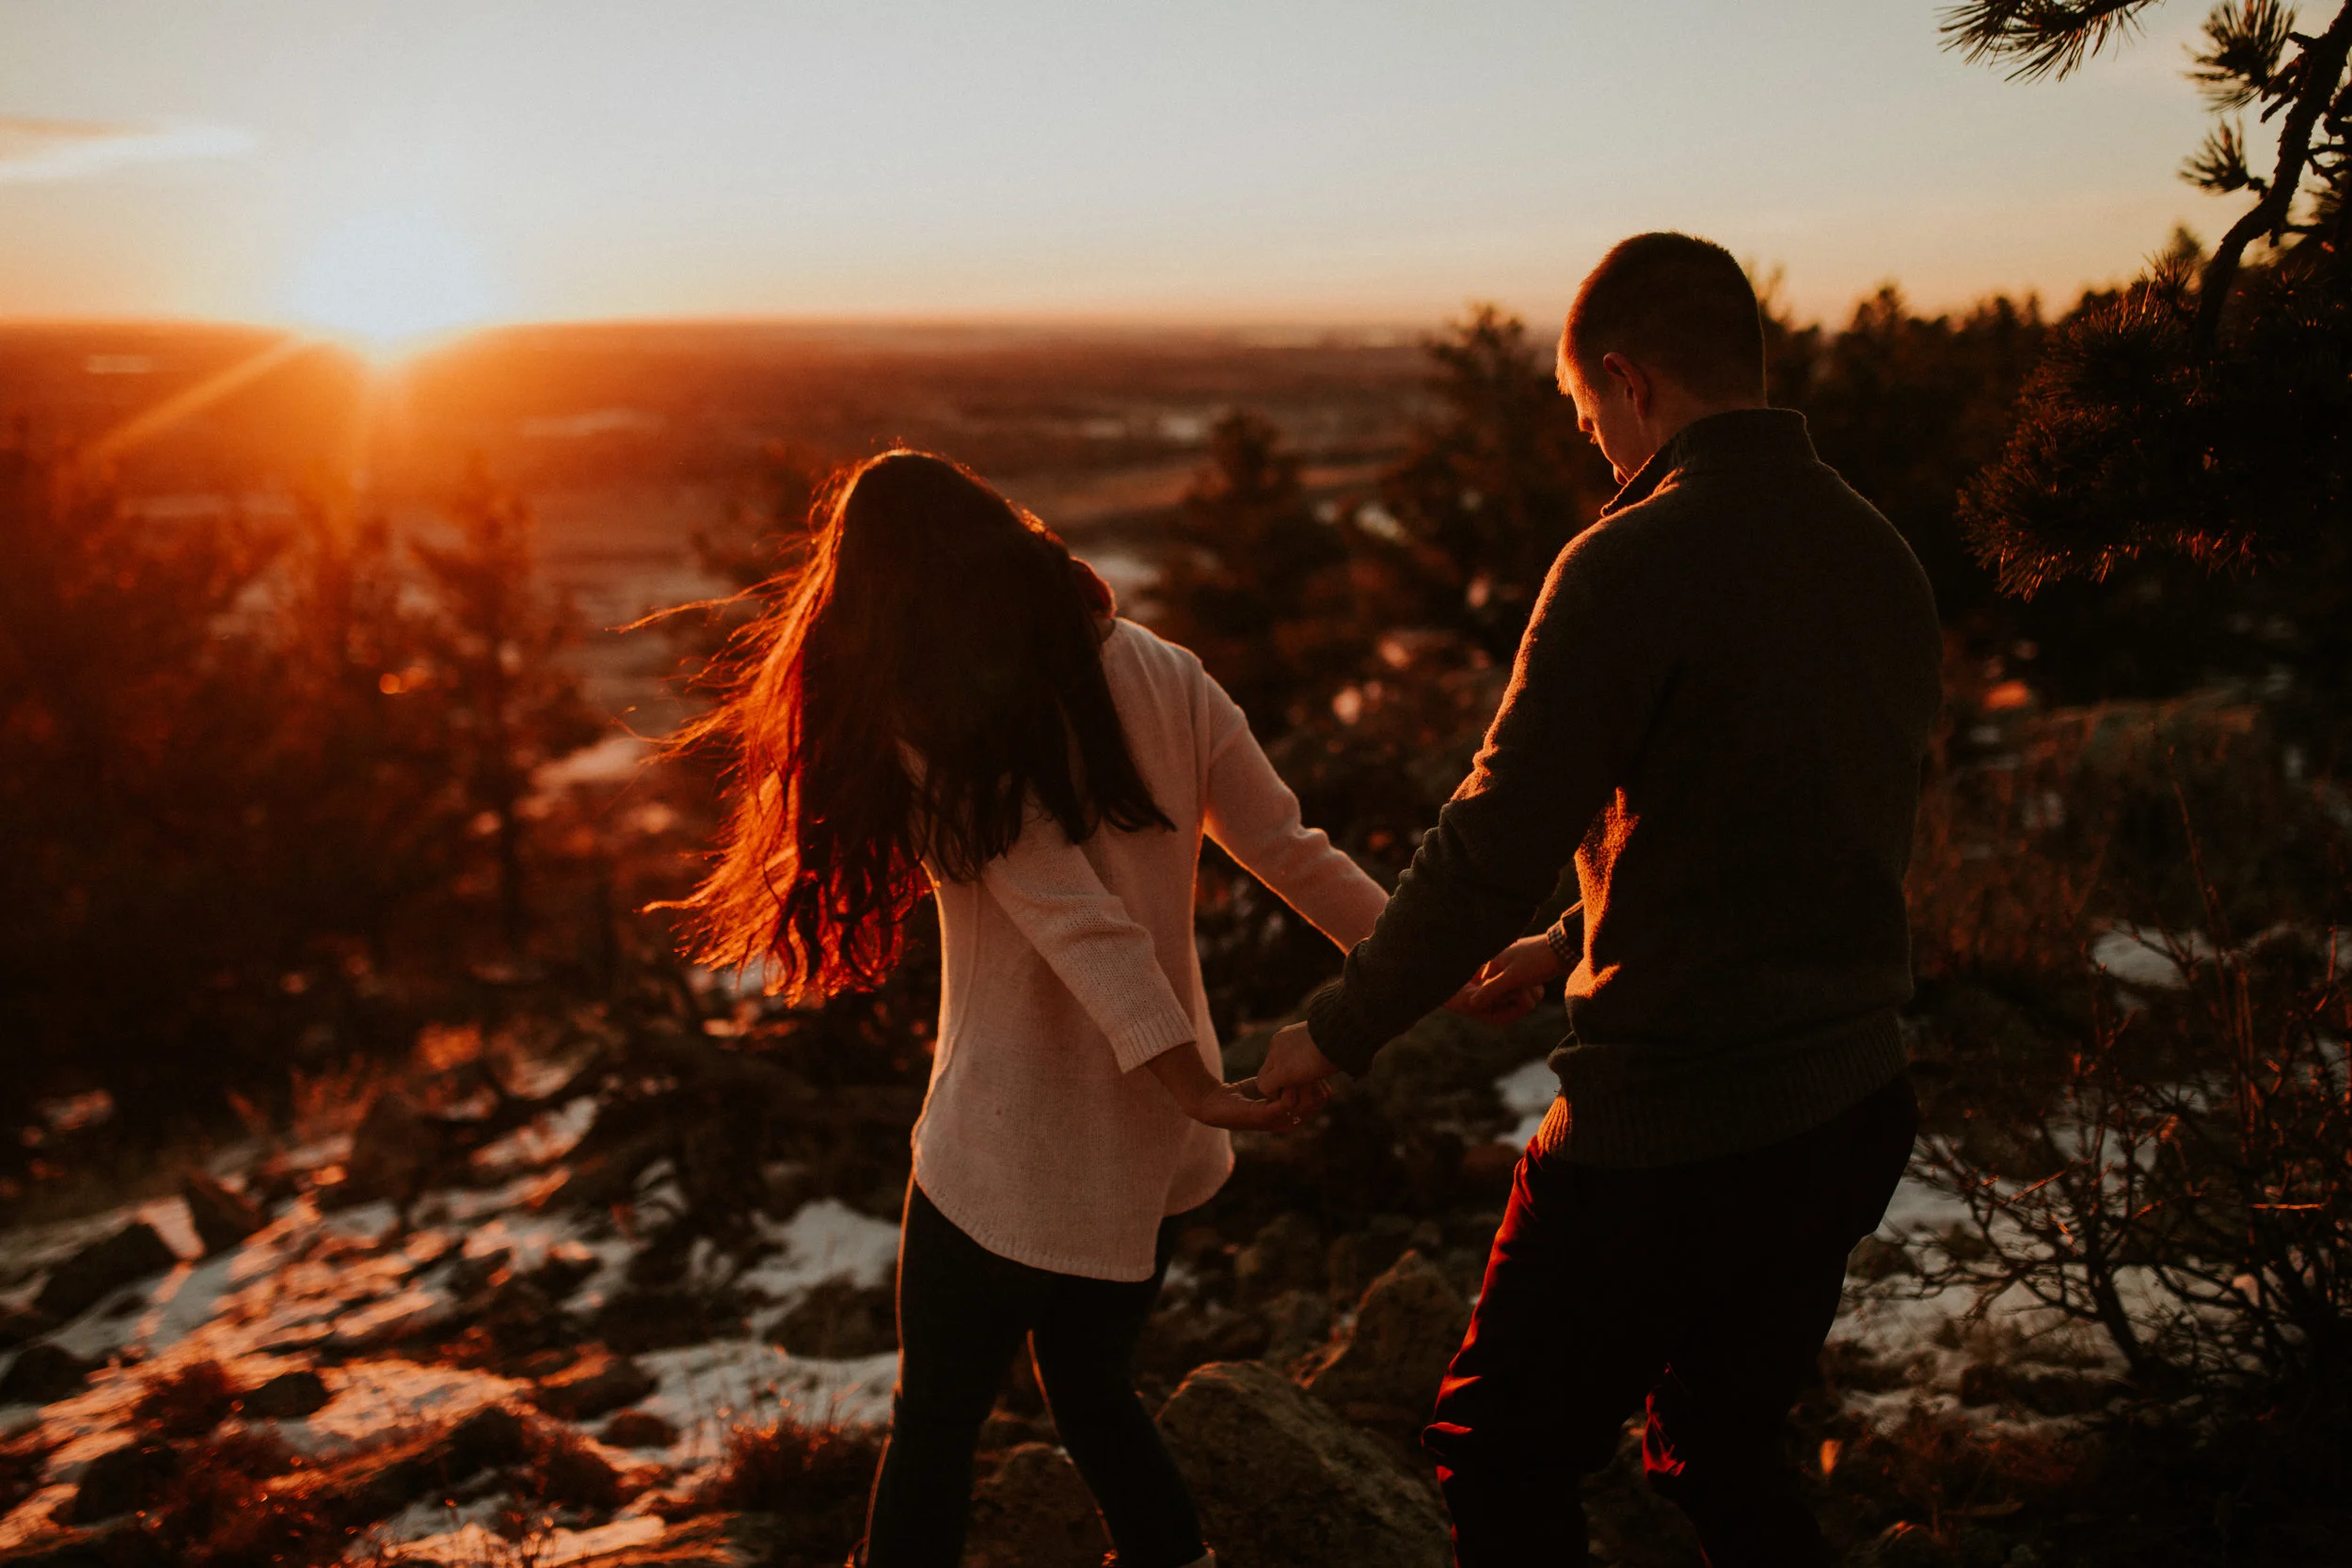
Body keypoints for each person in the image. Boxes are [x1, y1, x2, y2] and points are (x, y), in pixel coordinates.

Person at [1257, 232, 1943, 1566]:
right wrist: (1574, 936)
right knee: (1721, 1449)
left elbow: (1486, 845)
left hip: (1671, 1127)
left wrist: (1335, 1029)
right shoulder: (1880, 554)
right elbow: (1798, 821)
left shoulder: (1630, 557)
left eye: (1589, 422)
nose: (1600, 456)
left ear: (1626, 379)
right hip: (1851, 1104)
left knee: (1495, 1450)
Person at [673, 450, 1387, 1568]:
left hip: (1003, 1141)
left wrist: (1197, 1081)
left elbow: (1074, 919)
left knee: (935, 1423)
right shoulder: (1164, 669)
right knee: (1094, 1388)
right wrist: (1441, 961)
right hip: (1143, 1140)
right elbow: (1294, 853)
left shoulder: (948, 718)